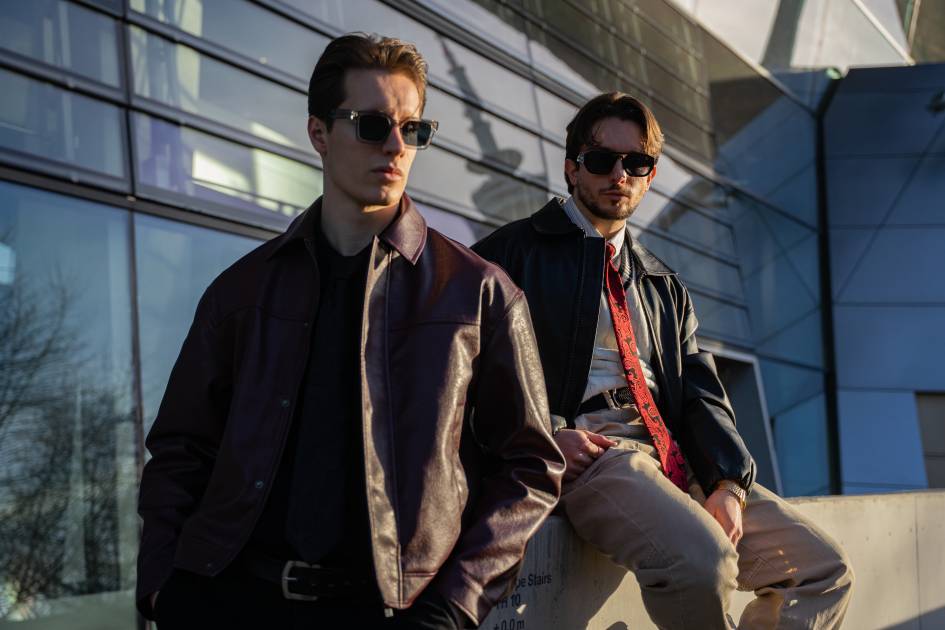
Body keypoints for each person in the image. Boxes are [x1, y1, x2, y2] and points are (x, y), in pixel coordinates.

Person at [136, 33, 564, 630]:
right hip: (232, 601)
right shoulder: (241, 292)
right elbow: (180, 449)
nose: (396, 146)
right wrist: (164, 587)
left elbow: (530, 467)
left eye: (412, 129)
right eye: (372, 125)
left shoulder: (480, 293)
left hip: (394, 614)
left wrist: (455, 605)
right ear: (319, 133)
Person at [473, 92, 853, 629]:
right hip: (595, 454)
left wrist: (727, 483)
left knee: (824, 571)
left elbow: (701, 395)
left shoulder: (661, 283)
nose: (618, 175)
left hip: (673, 458)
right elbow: (472, 376)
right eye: (601, 160)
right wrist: (548, 434)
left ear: (650, 177)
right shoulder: (506, 256)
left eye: (636, 163)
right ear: (571, 167)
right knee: (704, 562)